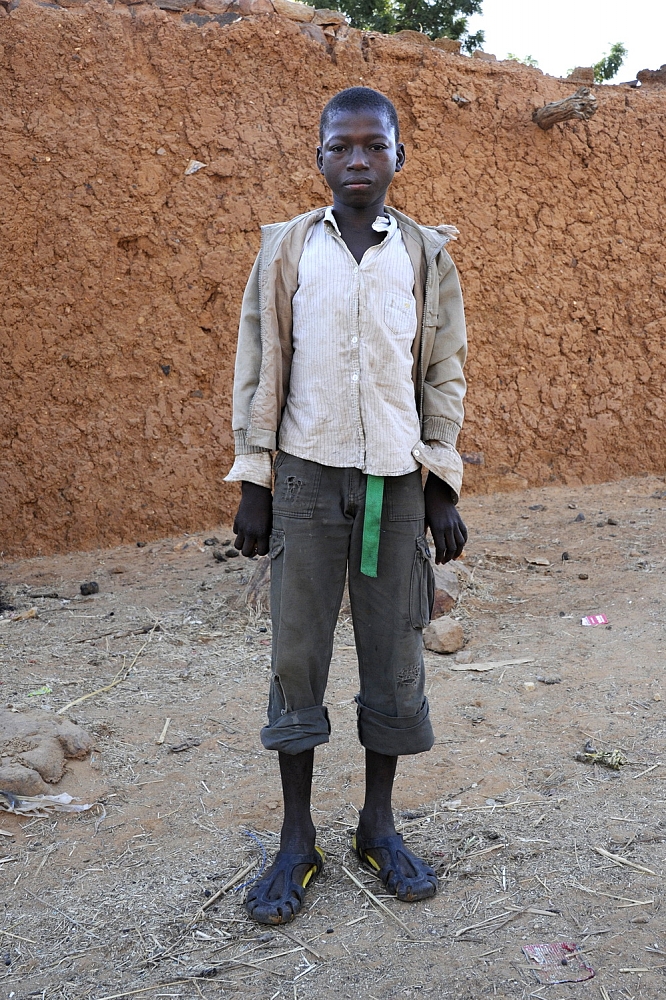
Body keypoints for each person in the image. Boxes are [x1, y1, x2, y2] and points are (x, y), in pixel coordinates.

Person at [225, 87, 468, 925]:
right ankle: (298, 842)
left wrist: (441, 488)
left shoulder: (426, 256)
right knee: (298, 660)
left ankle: (377, 826)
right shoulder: (290, 249)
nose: (358, 160)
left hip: (396, 488)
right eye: (341, 146)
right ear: (318, 156)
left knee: (393, 657)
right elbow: (258, 364)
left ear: (401, 155)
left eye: (375, 146)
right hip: (302, 483)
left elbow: (443, 373)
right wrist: (255, 485)